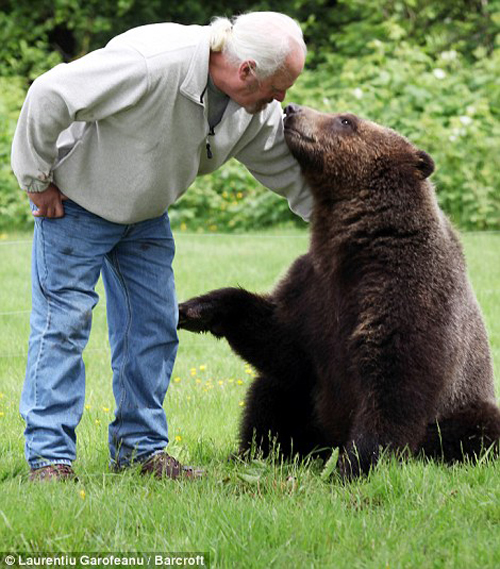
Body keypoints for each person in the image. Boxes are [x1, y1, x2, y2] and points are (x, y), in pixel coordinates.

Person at [11, 11, 312, 482]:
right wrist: (36, 179)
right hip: (74, 204)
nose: (283, 98)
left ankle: (139, 450)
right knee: (62, 328)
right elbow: (50, 93)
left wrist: (351, 233)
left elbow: (292, 175)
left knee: (153, 329)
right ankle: (49, 459)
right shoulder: (152, 63)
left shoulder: (252, 108)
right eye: (279, 85)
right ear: (246, 69)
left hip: (147, 214)